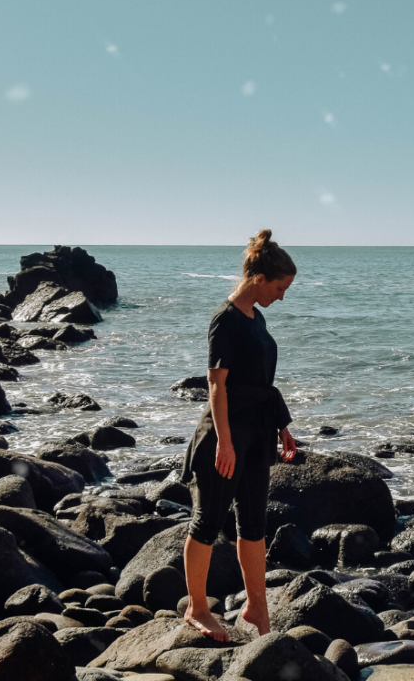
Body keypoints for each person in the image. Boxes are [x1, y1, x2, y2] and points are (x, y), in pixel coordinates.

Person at [182, 229, 297, 640]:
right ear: (260, 278)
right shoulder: (225, 319)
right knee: (207, 522)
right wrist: (225, 442)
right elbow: (216, 385)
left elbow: (262, 382)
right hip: (225, 436)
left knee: (253, 524)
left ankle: (257, 607)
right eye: (280, 287)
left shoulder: (256, 317)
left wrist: (282, 426)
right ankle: (196, 608)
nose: (282, 296)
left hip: (257, 433)